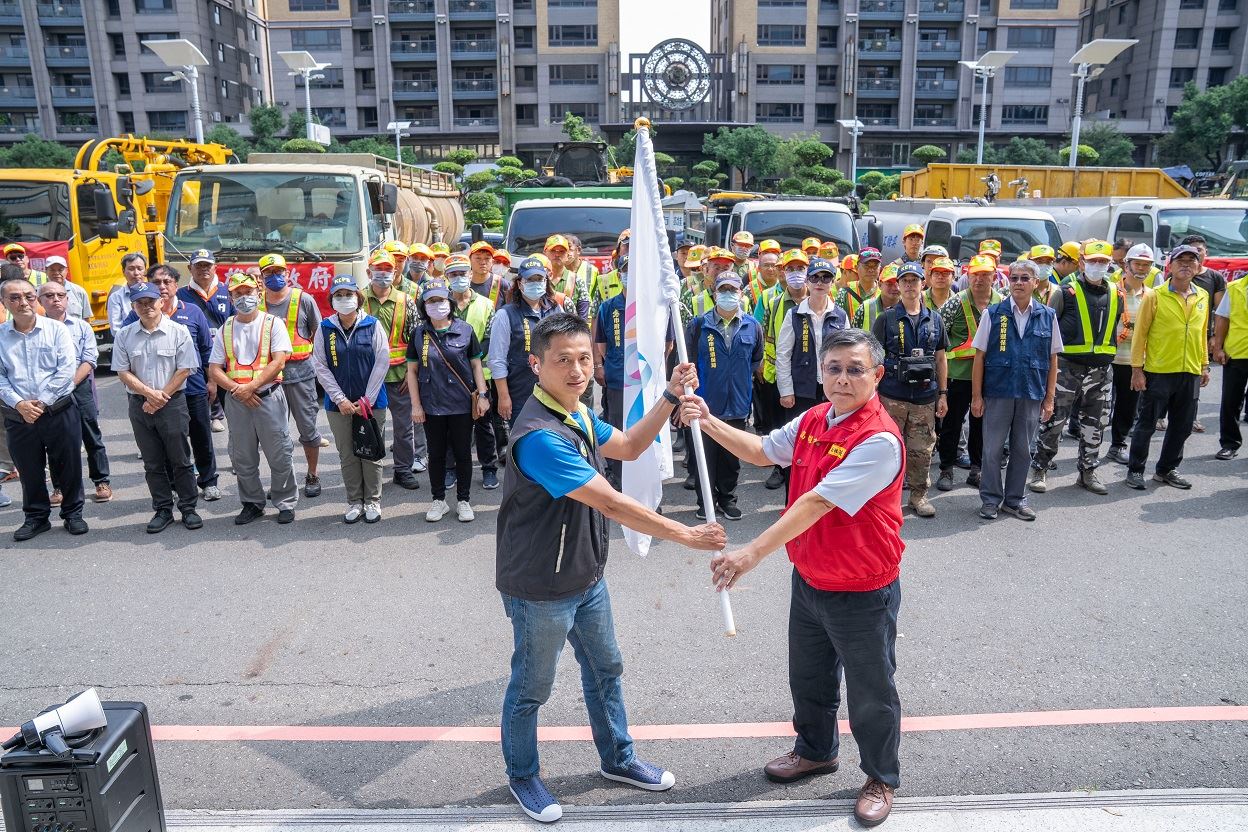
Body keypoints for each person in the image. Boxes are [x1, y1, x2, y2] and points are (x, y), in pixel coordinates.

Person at [496, 312, 725, 824]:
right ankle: (523, 776)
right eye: (562, 360)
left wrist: (668, 396)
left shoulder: (575, 413)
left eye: (583, 358)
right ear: (536, 365)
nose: (577, 370)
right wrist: (686, 534)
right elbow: (612, 504)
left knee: (606, 669)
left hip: (585, 577)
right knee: (532, 687)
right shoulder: (540, 435)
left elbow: (628, 446)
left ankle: (618, 758)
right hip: (541, 587)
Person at [679, 327, 905, 829]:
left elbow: (817, 502)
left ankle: (880, 777)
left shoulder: (879, 440)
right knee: (809, 678)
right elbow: (761, 451)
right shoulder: (815, 418)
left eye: (855, 370)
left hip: (863, 584)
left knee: (871, 690)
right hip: (811, 578)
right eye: (834, 369)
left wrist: (751, 554)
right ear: (822, 372)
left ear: (877, 375)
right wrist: (708, 421)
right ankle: (816, 751)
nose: (842, 380)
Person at [1029, 240, 1123, 496]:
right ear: (1082, 262)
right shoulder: (1065, 291)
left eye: (1102, 262)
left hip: (1101, 371)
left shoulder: (1116, 293)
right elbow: (1046, 330)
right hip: (1067, 370)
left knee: (1096, 424)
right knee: (1054, 421)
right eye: (1093, 261)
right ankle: (1040, 468)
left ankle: (1088, 471)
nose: (1097, 266)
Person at [971, 260, 1061, 521]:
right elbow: (979, 357)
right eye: (1014, 278)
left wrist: (1049, 399)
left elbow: (1053, 360)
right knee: (992, 449)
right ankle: (990, 499)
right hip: (998, 392)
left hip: (1031, 393)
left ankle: (1014, 500)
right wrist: (977, 397)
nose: (1019, 283)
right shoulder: (994, 313)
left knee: (1024, 449)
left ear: (1035, 282)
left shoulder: (1047, 315)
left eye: (1025, 278)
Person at [0, 275, 87, 541]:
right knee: (29, 468)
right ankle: (36, 518)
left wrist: (42, 402)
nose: (23, 302)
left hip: (58, 410)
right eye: (14, 297)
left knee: (68, 464)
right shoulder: (1, 336)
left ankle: (73, 514)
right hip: (18, 415)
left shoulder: (57, 330)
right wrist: (20, 404)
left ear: (35, 298)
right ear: (4, 302)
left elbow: (65, 371)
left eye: (28, 296)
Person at [112, 282, 203, 533]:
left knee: (181, 459)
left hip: (172, 403)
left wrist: (160, 396)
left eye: (151, 301)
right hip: (140, 405)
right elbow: (123, 371)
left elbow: (185, 369)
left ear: (161, 302)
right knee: (152, 462)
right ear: (133, 306)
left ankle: (188, 508)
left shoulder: (178, 331)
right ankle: (163, 509)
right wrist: (149, 395)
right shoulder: (125, 334)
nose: (146, 306)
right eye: (140, 302)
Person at [207, 272, 297, 525]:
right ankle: (252, 503)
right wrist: (239, 390)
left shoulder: (273, 323)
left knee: (279, 453)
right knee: (243, 457)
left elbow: (279, 360)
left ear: (258, 293)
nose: (244, 297)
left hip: (268, 397)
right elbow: (214, 368)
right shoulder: (226, 328)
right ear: (231, 297)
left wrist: (252, 387)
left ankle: (285, 501)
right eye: (238, 294)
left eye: (248, 293)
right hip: (238, 402)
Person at [130, 265, 222, 501]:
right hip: (155, 394)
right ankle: (174, 484)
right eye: (157, 282)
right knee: (168, 442)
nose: (162, 287)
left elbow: (206, 349)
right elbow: (128, 356)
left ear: (175, 285)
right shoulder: (137, 314)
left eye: (167, 282)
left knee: (201, 435)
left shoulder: (191, 311)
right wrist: (148, 392)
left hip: (191, 388)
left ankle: (208, 481)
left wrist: (212, 381)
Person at [1124, 245, 1211, 490]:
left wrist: (1204, 365)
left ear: (1197, 266)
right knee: (1147, 423)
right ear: (1169, 266)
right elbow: (1140, 334)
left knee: (1182, 425)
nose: (1186, 265)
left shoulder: (1202, 295)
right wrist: (1137, 369)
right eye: (1180, 260)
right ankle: (1136, 470)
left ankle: (1167, 469)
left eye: (1191, 261)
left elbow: (1202, 333)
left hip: (1190, 370)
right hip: (1159, 370)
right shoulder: (1155, 295)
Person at [407, 278, 490, 522]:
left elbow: (476, 365)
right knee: (436, 454)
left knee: (464, 453)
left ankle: (464, 500)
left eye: (441, 299)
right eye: (431, 300)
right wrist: (415, 405)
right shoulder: (419, 333)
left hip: (461, 403)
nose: (437, 304)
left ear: (449, 302)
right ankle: (438, 500)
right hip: (432, 404)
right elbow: (411, 372)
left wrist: (483, 395)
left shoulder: (465, 329)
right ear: (424, 305)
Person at [312, 274, 391, 524]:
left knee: (371, 452)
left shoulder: (372, 324)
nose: (344, 299)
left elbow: (382, 361)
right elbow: (320, 366)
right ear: (332, 299)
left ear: (358, 298)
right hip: (339, 407)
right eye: (339, 295)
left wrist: (366, 400)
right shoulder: (325, 328)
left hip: (372, 403)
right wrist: (340, 399)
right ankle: (355, 501)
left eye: (349, 294)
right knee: (348, 454)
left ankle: (373, 501)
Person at [687, 270, 764, 521]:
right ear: (714, 293)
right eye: (724, 290)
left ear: (741, 294)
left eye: (733, 290)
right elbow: (686, 363)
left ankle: (728, 499)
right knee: (705, 456)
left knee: (731, 458)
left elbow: (755, 360)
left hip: (739, 404)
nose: (728, 295)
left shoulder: (752, 325)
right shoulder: (699, 325)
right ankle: (705, 502)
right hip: (706, 403)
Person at [873, 262, 947, 518]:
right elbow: (875, 358)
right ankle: (884, 497)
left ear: (922, 283)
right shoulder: (886, 318)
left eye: (913, 280)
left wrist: (943, 394)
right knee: (887, 447)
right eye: (903, 281)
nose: (908, 285)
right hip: (892, 394)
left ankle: (918, 495)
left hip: (925, 396)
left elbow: (940, 358)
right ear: (898, 285)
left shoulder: (935, 318)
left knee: (921, 448)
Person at [38, 280, 112, 506]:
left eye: (60, 295)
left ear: (68, 299)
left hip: (78, 387)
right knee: (55, 440)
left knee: (91, 435)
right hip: (49, 391)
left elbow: (90, 359)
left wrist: (69, 384)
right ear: (40, 301)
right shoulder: (37, 328)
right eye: (49, 296)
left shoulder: (81, 326)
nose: (56, 299)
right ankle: (59, 487)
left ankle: (101, 481)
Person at [260, 253, 327, 499]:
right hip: (268, 380)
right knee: (276, 434)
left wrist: (323, 373)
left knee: (308, 430)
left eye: (279, 272)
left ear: (287, 273)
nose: (275, 277)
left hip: (301, 376)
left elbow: (318, 336)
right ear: (262, 276)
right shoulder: (256, 302)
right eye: (269, 273)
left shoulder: (303, 299)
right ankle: (283, 481)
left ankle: (312, 475)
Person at [935, 256, 999, 492]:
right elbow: (937, 334)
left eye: (985, 274)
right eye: (975, 274)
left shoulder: (1002, 303)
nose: (980, 279)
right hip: (958, 376)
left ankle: (976, 469)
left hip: (989, 377)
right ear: (967, 276)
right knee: (952, 423)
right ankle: (946, 469)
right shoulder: (955, 303)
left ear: (994, 276)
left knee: (981, 424)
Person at [363, 249, 425, 490]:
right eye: (378, 269)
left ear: (395, 271)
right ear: (369, 272)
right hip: (369, 379)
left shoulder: (405, 300)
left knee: (403, 428)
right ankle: (371, 473)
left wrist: (413, 374)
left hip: (399, 376)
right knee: (371, 428)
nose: (383, 274)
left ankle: (403, 470)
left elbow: (417, 339)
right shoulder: (358, 299)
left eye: (388, 269)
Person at [489, 257, 569, 425]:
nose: (535, 283)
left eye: (539, 279)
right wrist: (504, 397)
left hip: (553, 391)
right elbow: (497, 360)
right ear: (520, 284)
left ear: (545, 281)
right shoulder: (506, 315)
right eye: (530, 280)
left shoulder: (555, 309)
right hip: (520, 393)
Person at [448, 254, 504, 490]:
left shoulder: (485, 305)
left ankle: (489, 468)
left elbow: (490, 339)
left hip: (481, 374)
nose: (459, 278)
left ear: (471, 275)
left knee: (483, 425)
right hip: (449, 375)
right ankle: (450, 469)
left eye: (463, 273)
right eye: (454, 274)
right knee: (450, 425)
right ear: (447, 278)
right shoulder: (441, 304)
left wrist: (471, 359)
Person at [776, 257, 850, 419]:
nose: (820, 283)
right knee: (800, 436)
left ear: (832, 283)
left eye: (826, 278)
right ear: (807, 282)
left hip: (832, 388)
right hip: (801, 389)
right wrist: (786, 390)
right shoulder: (794, 315)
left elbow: (847, 355)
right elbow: (783, 355)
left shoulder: (840, 316)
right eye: (814, 277)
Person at [178, 248, 234, 433]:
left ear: (215, 267)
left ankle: (221, 419)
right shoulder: (180, 294)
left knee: (227, 392)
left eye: (207, 265)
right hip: (195, 352)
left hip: (224, 351)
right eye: (199, 265)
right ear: (190, 268)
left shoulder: (228, 291)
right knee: (199, 390)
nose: (204, 269)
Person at [1106, 254, 1153, 465]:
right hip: (1107, 357)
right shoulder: (1111, 290)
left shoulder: (1152, 295)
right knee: (1099, 407)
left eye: (1146, 265)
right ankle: (1088, 449)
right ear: (1127, 265)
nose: (1142, 268)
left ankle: (1118, 445)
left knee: (1127, 406)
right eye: (1138, 264)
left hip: (1133, 361)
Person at [1180, 234, 1226, 434]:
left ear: (1206, 253)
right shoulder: (1179, 274)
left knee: (1197, 378)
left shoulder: (1214, 277)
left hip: (1201, 337)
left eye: (1200, 250)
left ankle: (1191, 417)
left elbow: (1220, 310)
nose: (1197, 254)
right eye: (1192, 250)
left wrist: (1214, 337)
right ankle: (1163, 416)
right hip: (1178, 336)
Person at [1213, 274, 1248, 460]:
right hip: (1237, 351)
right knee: (1230, 401)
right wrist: (1218, 347)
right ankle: (1229, 443)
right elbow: (1222, 318)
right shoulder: (1234, 288)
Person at [544, 235, 591, 320]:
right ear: (545, 252)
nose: (557, 254)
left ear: (567, 254)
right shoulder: (538, 279)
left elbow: (583, 317)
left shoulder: (577, 281)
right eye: (553, 251)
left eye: (562, 251)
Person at [108, 252, 149, 336]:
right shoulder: (116, 297)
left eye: (140, 268)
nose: (136, 273)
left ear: (145, 270)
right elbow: (116, 331)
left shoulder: (155, 294)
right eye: (131, 269)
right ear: (123, 271)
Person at [836, 247, 882, 323]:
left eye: (875, 266)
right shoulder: (844, 292)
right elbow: (837, 322)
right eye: (866, 266)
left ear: (880, 268)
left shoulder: (883, 292)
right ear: (857, 268)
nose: (871, 270)